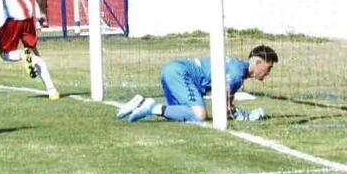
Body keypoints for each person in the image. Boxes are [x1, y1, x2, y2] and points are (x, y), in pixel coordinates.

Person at [115, 45, 278, 123]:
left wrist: (236, 112)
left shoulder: (236, 68)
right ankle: (149, 105)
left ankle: (143, 105)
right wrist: (244, 116)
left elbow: (227, 101)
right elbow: (223, 102)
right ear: (257, 62)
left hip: (172, 70)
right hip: (180, 73)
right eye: (268, 67)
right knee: (199, 115)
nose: (268, 72)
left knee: (180, 116)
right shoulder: (236, 73)